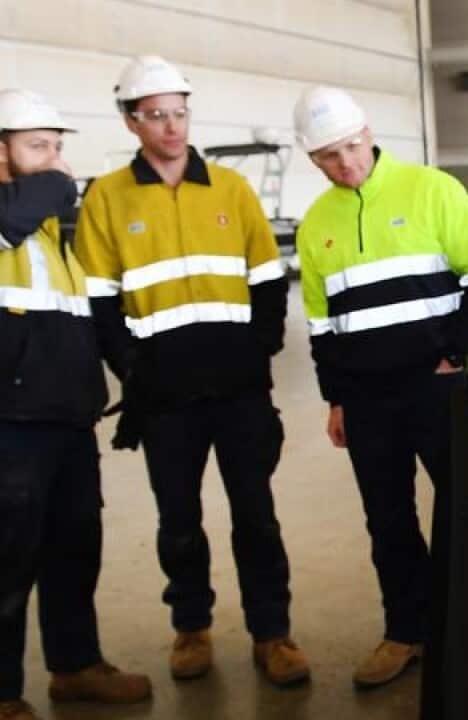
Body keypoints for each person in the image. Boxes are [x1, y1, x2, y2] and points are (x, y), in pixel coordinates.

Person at [73, 56, 309, 687]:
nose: (172, 127)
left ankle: (272, 633)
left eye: (179, 113)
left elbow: (267, 280)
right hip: (163, 396)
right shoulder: (107, 198)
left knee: (256, 514)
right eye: (156, 115)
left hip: (238, 390)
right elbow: (99, 300)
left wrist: (257, 353)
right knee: (178, 521)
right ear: (131, 122)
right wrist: (132, 368)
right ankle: (191, 627)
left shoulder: (231, 190)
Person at [292, 87, 468, 689]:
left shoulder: (433, 190)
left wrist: (453, 352)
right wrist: (336, 398)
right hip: (366, 401)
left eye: (352, 147)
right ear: (313, 160)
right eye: (329, 156)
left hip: (436, 388)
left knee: (464, 509)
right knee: (387, 521)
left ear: (369, 133)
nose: (346, 164)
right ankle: (407, 630)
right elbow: (321, 327)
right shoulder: (316, 224)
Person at [0, 89, 151, 720]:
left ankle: (75, 665)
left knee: (73, 548)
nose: (58, 161)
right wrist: (58, 183)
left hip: (66, 418)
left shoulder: (52, 234)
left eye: (59, 148)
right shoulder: (20, 215)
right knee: (7, 561)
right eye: (39, 146)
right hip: (10, 426)